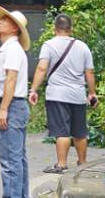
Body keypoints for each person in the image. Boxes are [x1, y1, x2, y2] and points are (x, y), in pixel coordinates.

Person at [29, 13, 97, 173]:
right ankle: (82, 162)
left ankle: (61, 164)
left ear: (54, 28)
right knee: (80, 132)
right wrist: (92, 93)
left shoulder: (49, 45)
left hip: (57, 95)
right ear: (71, 29)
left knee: (62, 131)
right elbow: (90, 73)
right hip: (78, 95)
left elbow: (41, 68)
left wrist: (33, 89)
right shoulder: (82, 46)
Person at [0, 5, 32, 198]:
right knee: (18, 155)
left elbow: (10, 79)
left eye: (5, 20)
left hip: (12, 105)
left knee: (10, 156)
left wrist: (3, 108)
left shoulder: (12, 50)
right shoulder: (12, 48)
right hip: (17, 104)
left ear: (14, 28)